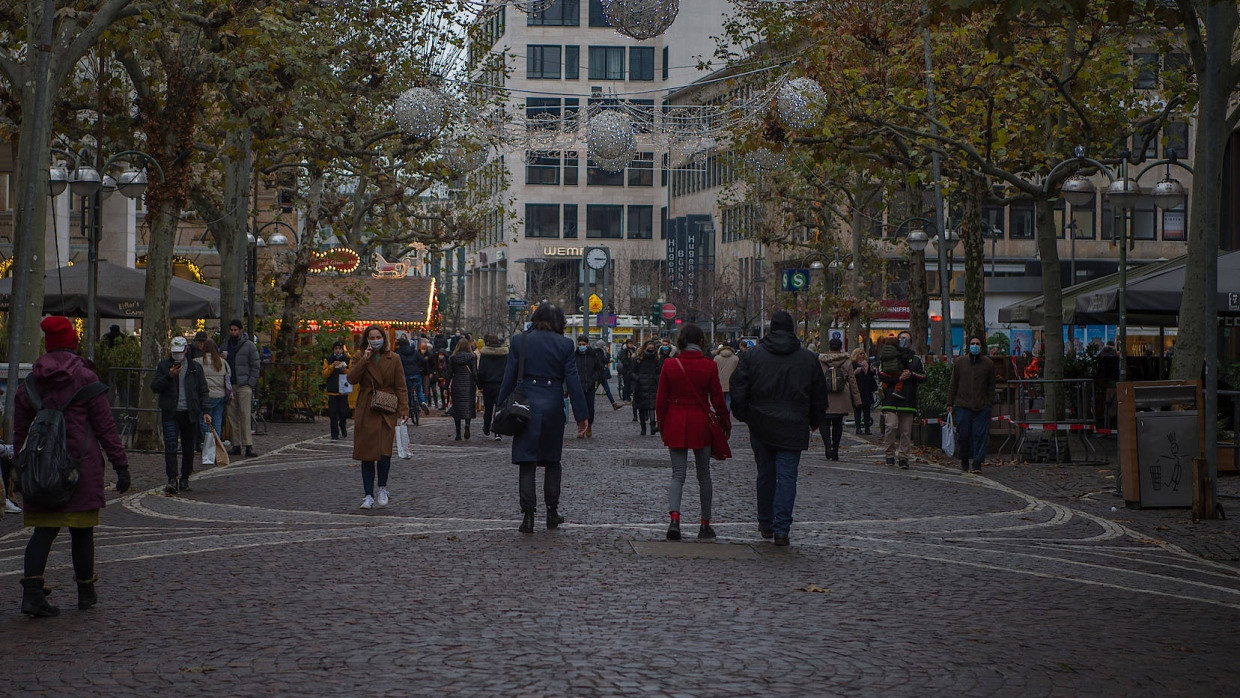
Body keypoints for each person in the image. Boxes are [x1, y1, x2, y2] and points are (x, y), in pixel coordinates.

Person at [14, 316, 130, 617]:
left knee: (42, 532)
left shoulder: (32, 380)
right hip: (80, 466)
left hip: (42, 469)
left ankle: (32, 595)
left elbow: (20, 430)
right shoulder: (85, 377)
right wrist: (121, 465)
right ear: (72, 341)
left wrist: (20, 466)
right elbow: (105, 426)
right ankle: (86, 593)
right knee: (82, 532)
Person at [731, 310, 827, 547]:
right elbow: (818, 394)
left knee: (765, 474)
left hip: (761, 421)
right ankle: (782, 528)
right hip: (794, 423)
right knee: (787, 476)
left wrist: (744, 415)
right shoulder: (807, 358)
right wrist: (815, 419)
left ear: (771, 328)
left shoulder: (753, 356)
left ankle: (766, 522)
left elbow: (739, 387)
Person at [497, 304, 589, 533]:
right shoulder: (566, 344)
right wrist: (582, 414)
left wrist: (499, 406)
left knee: (526, 462)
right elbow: (573, 380)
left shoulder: (520, 341)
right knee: (551, 461)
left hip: (525, 405)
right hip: (553, 406)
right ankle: (552, 512)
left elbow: (509, 375)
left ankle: (528, 517)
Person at [655, 324, 730, 541]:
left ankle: (675, 519)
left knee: (678, 474)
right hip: (701, 422)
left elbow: (661, 400)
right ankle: (705, 524)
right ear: (701, 341)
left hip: (676, 421)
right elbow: (717, 398)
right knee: (704, 475)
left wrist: (661, 425)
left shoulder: (670, 364)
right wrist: (725, 422)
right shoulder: (708, 366)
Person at [346, 326, 410, 509]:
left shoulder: (394, 358)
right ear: (366, 339)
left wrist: (403, 410)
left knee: (384, 452)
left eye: (378, 337)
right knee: (367, 454)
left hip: (387, 408)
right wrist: (364, 360)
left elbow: (401, 386)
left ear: (384, 338)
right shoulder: (360, 356)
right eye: (371, 337)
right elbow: (351, 379)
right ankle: (368, 494)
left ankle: (382, 487)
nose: (375, 340)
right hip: (367, 408)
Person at [150, 336, 210, 494]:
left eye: (180, 352)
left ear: (186, 350)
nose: (177, 355)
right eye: (174, 352)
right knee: (170, 446)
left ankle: (185, 477)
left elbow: (203, 390)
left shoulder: (195, 368)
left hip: (189, 412)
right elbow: (155, 387)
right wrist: (169, 376)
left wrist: (206, 411)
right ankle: (172, 478)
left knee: (188, 448)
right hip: (171, 412)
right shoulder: (164, 366)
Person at [948, 333, 996, 474]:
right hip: (963, 406)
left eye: (978, 344)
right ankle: (964, 458)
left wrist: (988, 403)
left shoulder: (988, 364)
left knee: (980, 435)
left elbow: (991, 385)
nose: (975, 346)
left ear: (982, 346)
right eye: (973, 343)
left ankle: (977, 463)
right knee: (964, 435)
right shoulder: (960, 363)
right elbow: (953, 384)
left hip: (982, 407)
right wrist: (949, 402)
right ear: (969, 346)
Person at [878, 330, 926, 470]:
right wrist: (898, 378)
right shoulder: (889, 355)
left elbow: (923, 377)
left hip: (907, 401)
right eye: (902, 339)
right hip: (891, 400)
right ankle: (889, 454)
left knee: (906, 432)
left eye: (907, 339)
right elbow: (881, 374)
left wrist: (910, 375)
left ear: (911, 343)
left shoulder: (915, 359)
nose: (904, 341)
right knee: (891, 426)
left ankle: (904, 457)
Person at [818, 337, 861, 461]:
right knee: (838, 424)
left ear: (829, 347)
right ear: (841, 347)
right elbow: (852, 381)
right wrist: (857, 400)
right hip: (842, 396)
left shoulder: (821, 360)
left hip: (824, 396)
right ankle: (835, 450)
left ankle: (828, 446)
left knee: (824, 422)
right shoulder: (846, 360)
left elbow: (815, 379)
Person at [222, 319, 260, 458]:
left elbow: (255, 365)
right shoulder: (226, 344)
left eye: (235, 330)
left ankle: (248, 445)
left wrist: (250, 383)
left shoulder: (249, 346)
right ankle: (236, 444)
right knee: (232, 416)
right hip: (230, 385)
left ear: (240, 330)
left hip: (243, 384)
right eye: (231, 330)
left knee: (244, 415)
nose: (233, 332)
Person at [195, 339, 231, 454]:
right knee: (217, 420)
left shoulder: (198, 362)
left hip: (206, 395)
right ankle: (217, 443)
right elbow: (228, 376)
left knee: (203, 419)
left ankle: (207, 443)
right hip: (220, 395)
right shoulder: (222, 362)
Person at [574, 334, 607, 437]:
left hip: (590, 386)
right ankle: (580, 427)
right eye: (580, 344)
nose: (581, 346)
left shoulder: (593, 355)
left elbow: (600, 368)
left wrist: (594, 378)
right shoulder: (574, 355)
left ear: (587, 344)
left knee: (590, 408)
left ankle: (589, 425)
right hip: (579, 386)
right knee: (579, 408)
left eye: (583, 344)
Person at [477, 334, 508, 440]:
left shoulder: (485, 355)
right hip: (501, 384)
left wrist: (480, 384)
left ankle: (486, 427)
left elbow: (481, 371)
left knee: (488, 408)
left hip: (488, 384)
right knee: (499, 408)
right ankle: (497, 432)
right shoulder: (504, 355)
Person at [447, 338, 478, 440]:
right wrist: (479, 384)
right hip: (468, 384)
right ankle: (467, 424)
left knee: (457, 409)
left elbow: (449, 374)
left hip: (457, 384)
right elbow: (474, 372)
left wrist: (446, 386)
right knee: (468, 406)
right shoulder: (472, 357)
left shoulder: (453, 358)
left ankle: (458, 434)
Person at [322, 340, 352, 440]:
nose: (338, 351)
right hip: (332, 390)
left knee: (344, 412)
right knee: (333, 414)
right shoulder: (328, 359)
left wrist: (344, 370)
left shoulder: (347, 359)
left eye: (339, 349)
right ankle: (334, 434)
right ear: (333, 350)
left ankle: (342, 425)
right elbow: (325, 373)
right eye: (336, 349)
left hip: (343, 390)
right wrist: (332, 366)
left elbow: (351, 373)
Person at [633, 340, 662, 435]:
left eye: (652, 348)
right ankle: (643, 427)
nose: (651, 349)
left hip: (652, 385)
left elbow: (659, 371)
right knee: (642, 407)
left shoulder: (657, 359)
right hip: (641, 386)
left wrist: (656, 378)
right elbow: (631, 371)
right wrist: (638, 378)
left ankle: (652, 426)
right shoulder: (638, 359)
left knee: (652, 407)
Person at [851, 347, 877, 435]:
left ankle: (867, 428)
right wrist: (855, 373)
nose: (862, 355)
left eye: (863, 353)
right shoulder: (853, 364)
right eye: (859, 354)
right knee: (857, 410)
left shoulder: (867, 364)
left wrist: (872, 371)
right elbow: (849, 376)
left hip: (867, 389)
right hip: (858, 389)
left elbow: (871, 375)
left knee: (867, 410)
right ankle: (858, 428)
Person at [593, 340, 626, 410]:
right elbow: (604, 360)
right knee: (594, 390)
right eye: (604, 345)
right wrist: (608, 357)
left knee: (606, 390)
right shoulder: (600, 352)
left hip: (600, 375)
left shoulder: (596, 352)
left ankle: (614, 404)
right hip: (600, 374)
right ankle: (588, 404)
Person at [396, 336, 423, 417]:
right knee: (419, 390)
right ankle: (422, 402)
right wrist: (421, 368)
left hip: (405, 374)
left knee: (406, 392)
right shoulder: (414, 351)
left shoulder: (398, 353)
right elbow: (422, 360)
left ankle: (408, 409)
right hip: (415, 372)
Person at [713, 343, 739, 409]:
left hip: (719, 382)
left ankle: (722, 414)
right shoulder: (736, 358)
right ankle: (727, 413)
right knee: (728, 400)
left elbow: (713, 370)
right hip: (731, 383)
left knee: (721, 400)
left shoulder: (716, 358)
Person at [617, 338, 638, 407]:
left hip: (631, 370)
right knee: (626, 384)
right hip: (626, 370)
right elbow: (624, 360)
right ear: (627, 344)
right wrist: (629, 365)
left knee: (630, 384)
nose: (631, 345)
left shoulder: (633, 350)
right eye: (629, 343)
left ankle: (628, 397)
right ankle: (625, 397)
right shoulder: (625, 351)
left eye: (632, 343)